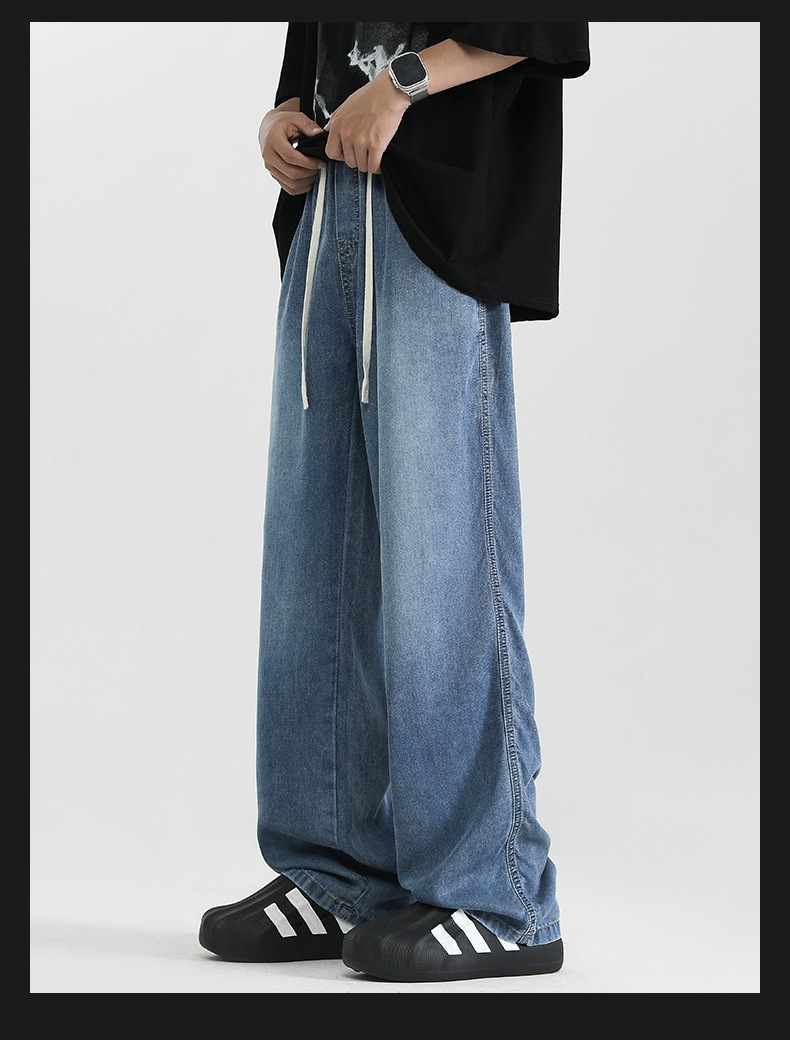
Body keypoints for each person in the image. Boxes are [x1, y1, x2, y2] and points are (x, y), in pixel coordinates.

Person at [200, 21, 590, 984]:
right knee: (312, 565)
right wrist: (284, 116)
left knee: (441, 565)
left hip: (433, 218)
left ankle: (498, 895)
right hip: (332, 209)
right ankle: (338, 873)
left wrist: (404, 83)